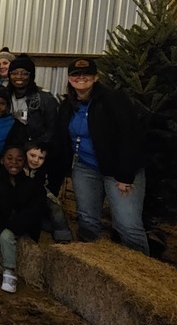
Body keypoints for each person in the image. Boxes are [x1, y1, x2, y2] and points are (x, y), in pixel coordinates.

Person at [50, 57, 149, 255]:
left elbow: (130, 136)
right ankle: (90, 260)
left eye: (86, 74)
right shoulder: (68, 105)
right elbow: (60, 141)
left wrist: (125, 175)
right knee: (86, 219)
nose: (81, 78)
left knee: (126, 224)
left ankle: (140, 268)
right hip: (85, 167)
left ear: (96, 77)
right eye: (76, 75)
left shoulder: (113, 100)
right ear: (70, 79)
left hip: (117, 170)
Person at [0, 145, 45, 293]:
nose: (14, 163)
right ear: (2, 160)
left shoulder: (33, 186)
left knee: (6, 236)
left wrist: (14, 226)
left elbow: (31, 212)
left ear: (24, 163)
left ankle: (9, 272)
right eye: (9, 158)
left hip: (17, 223)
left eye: (19, 160)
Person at [25, 141, 72, 243]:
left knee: (55, 208)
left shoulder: (43, 171)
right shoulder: (20, 167)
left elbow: (44, 188)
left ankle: (63, 236)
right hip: (24, 199)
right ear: (25, 153)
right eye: (32, 155)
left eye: (41, 158)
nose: (35, 160)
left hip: (41, 195)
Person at [8, 54, 59, 145]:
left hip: (35, 148)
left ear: (31, 76)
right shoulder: (5, 96)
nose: (19, 77)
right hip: (10, 148)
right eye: (14, 73)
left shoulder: (46, 99)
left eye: (24, 73)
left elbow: (52, 130)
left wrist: (34, 147)